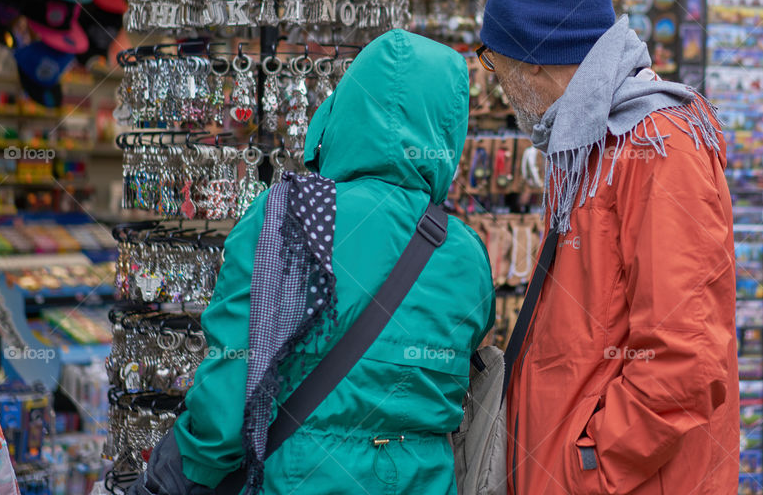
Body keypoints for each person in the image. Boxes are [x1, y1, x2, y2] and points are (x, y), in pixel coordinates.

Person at [129, 29, 495, 494]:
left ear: (345, 109)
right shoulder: (465, 251)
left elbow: (228, 401)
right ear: (449, 128)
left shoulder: (289, 214)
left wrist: (192, 471)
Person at [478, 0, 739, 494]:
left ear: (536, 63)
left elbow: (684, 357)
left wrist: (589, 465)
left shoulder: (655, 145)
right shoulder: (594, 141)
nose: (496, 85)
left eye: (494, 63)